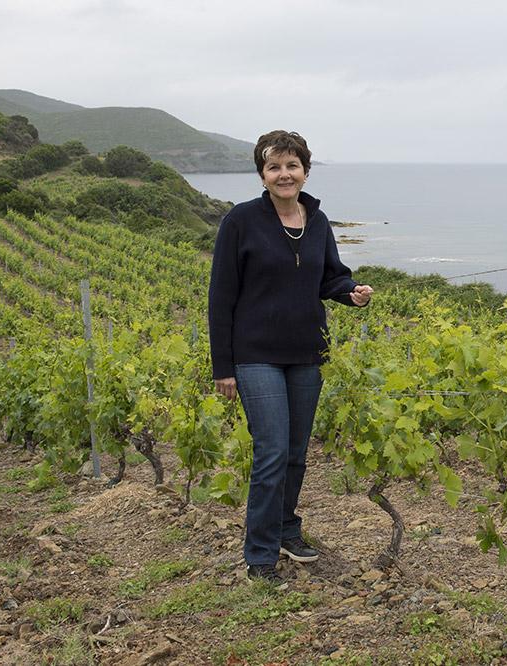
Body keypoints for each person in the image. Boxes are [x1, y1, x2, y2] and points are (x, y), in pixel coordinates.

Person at [208, 130, 373, 584]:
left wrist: (351, 293)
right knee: (272, 451)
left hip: (306, 353)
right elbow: (221, 297)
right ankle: (260, 553)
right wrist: (222, 366)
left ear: (305, 171)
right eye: (274, 166)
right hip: (255, 355)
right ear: (262, 174)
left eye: (292, 165)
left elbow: (330, 278)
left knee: (296, 453)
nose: (284, 174)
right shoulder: (240, 221)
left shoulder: (317, 222)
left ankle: (285, 530)